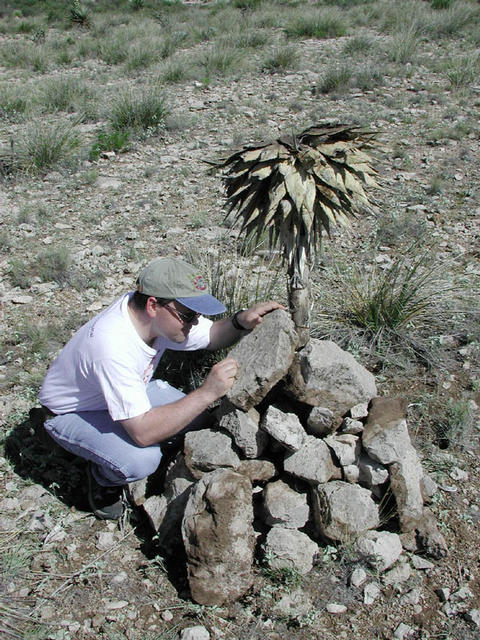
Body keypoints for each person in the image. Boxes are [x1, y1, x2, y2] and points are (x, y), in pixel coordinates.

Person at [37, 257, 282, 520]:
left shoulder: (150, 317)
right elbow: (143, 433)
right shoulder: (112, 347)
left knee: (198, 418)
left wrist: (239, 322)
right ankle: (102, 478)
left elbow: (212, 336)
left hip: (123, 390)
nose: (194, 323)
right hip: (73, 413)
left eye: (197, 315)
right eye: (189, 315)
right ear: (153, 305)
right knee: (142, 459)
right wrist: (207, 392)